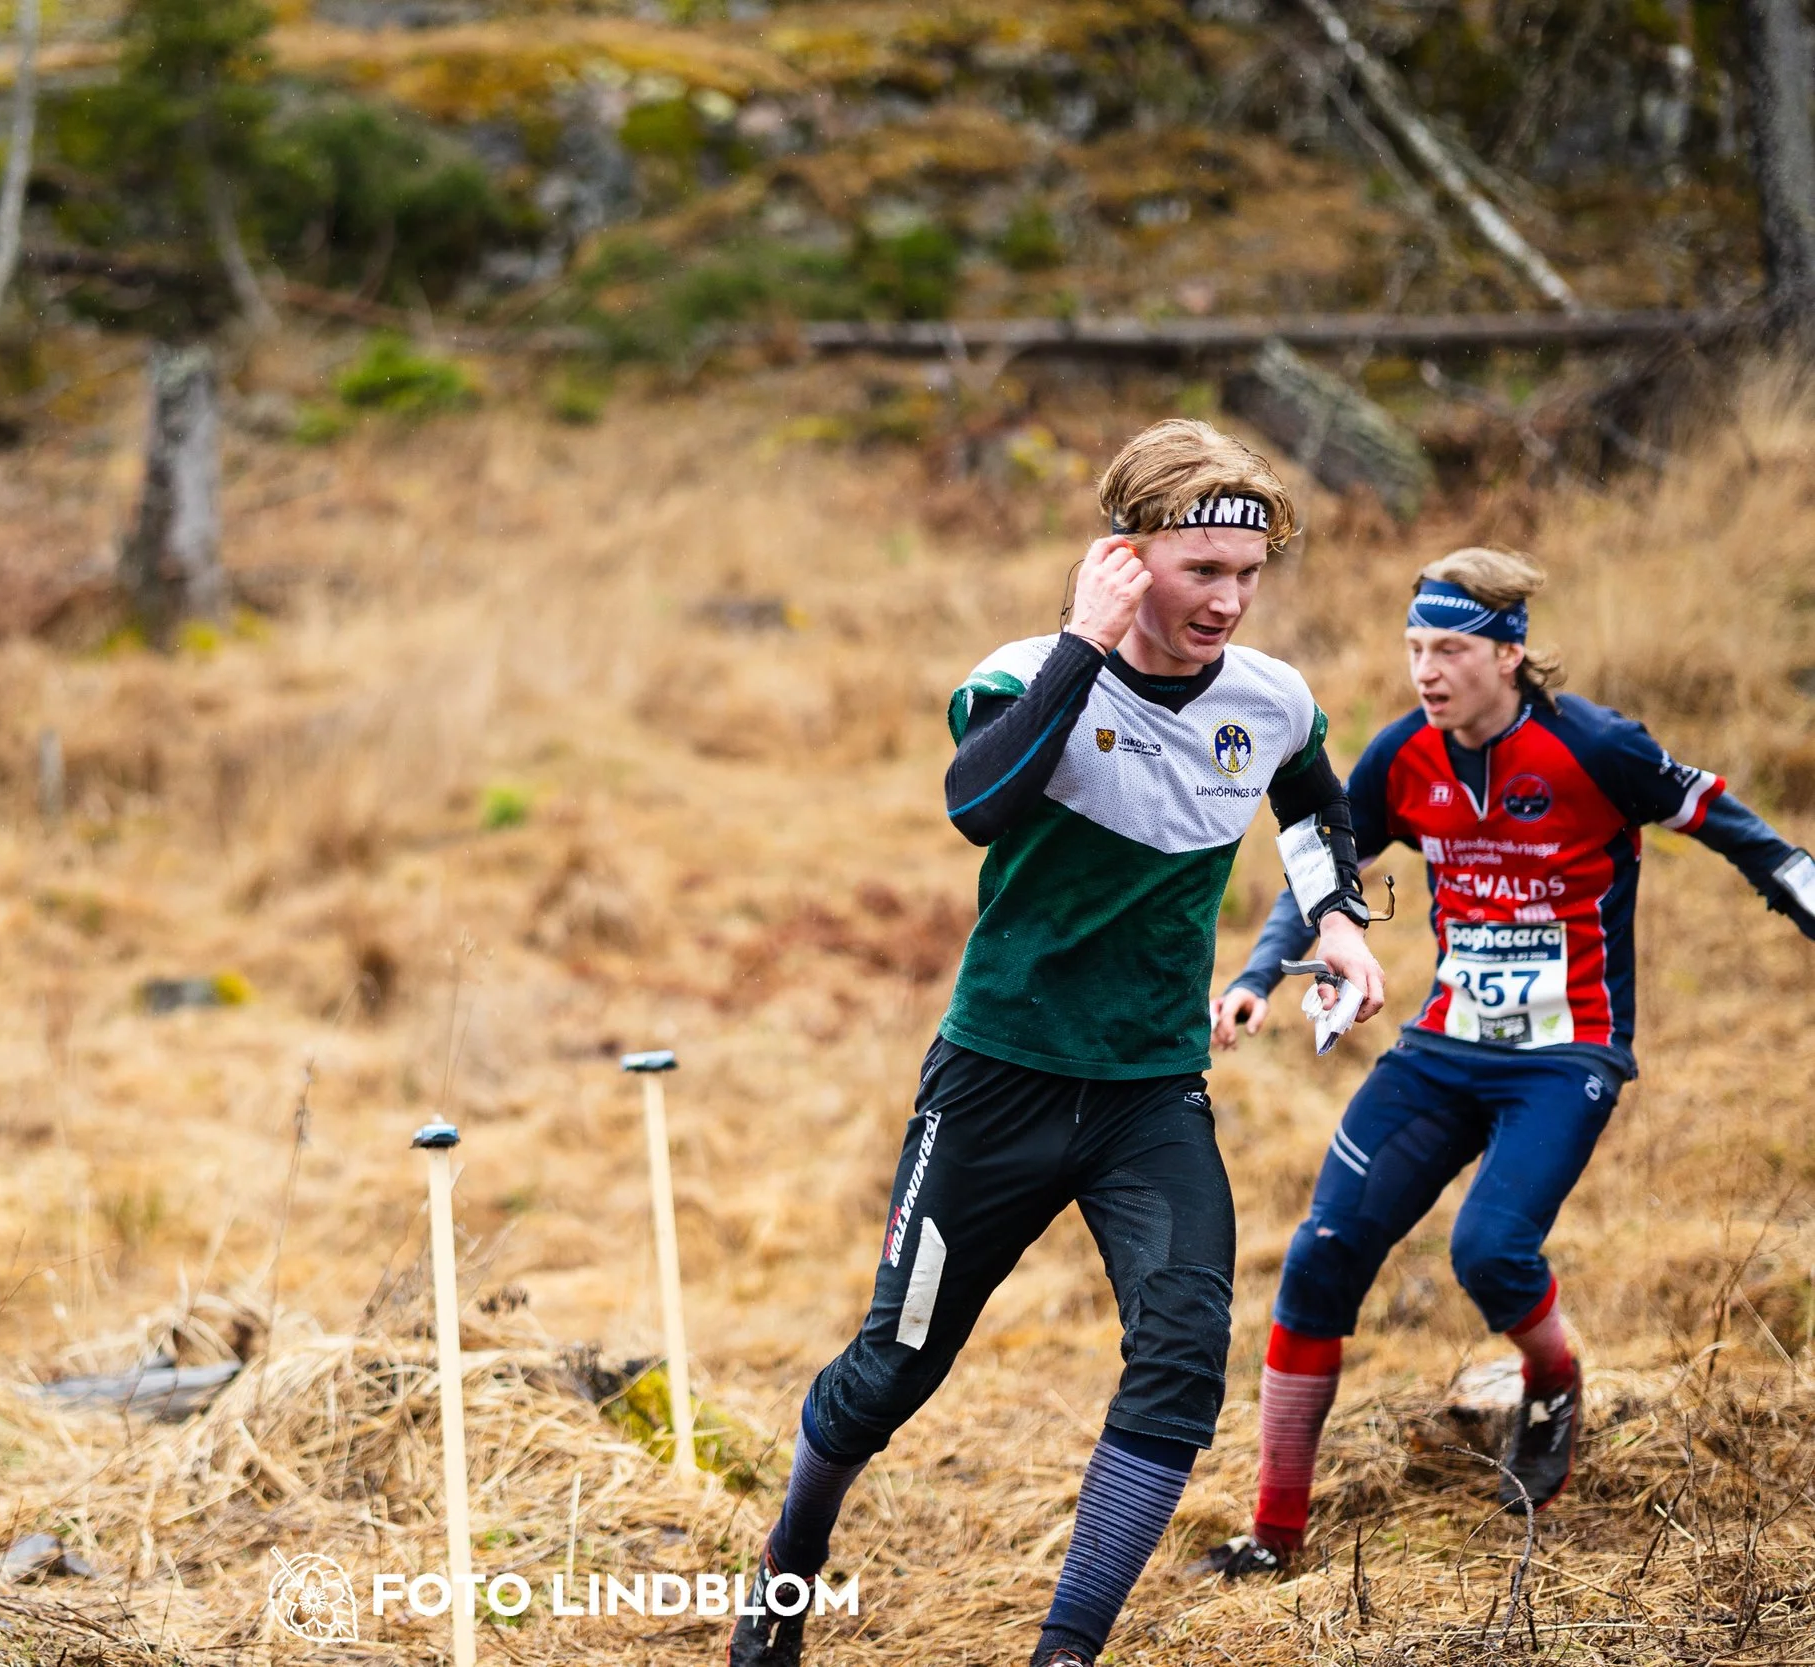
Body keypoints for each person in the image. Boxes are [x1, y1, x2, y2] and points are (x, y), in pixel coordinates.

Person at [728, 419, 1388, 1667]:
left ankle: (1064, 1650)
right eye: (1201, 571)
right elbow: (976, 805)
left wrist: (1343, 922)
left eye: (1247, 576)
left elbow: (1310, 800)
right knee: (893, 1368)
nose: (1228, 602)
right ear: (1126, 556)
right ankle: (787, 1570)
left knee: (1184, 1353)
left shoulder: (1271, 694)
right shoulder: (1024, 674)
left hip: (1150, 1092)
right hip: (997, 1081)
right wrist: (1087, 642)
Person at [1195, 546, 1815, 1580]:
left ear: (1511, 654)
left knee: (1488, 1250)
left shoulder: (1595, 747)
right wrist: (1264, 970)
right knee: (1318, 1256)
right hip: (1442, 1047)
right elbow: (1320, 864)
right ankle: (1275, 1533)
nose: (1425, 671)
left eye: (1450, 648)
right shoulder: (1403, 755)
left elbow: (1725, 819)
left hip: (1563, 1050)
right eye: (1413, 648)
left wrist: (1796, 880)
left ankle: (1553, 1375)